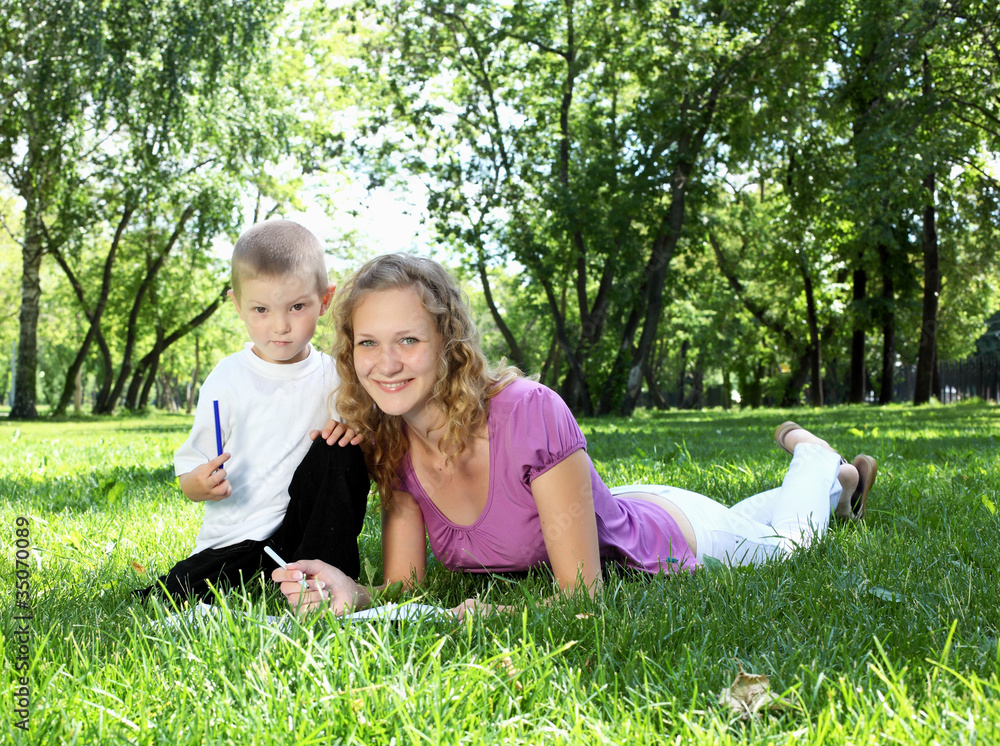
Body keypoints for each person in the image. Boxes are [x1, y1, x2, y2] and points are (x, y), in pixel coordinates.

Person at [273, 253, 877, 616]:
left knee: (784, 542)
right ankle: (843, 487)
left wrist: (499, 614)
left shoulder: (529, 411)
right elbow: (406, 590)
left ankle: (816, 459)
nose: (387, 362)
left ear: (448, 344)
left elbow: (582, 600)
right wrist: (352, 592)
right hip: (609, 506)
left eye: (408, 340)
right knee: (760, 520)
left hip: (670, 537)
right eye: (368, 343)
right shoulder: (391, 441)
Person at [139, 220, 370, 601]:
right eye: (261, 309)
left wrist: (354, 434)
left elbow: (357, 462)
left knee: (340, 450)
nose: (280, 326)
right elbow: (191, 466)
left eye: (297, 307)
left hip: (304, 538)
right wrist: (199, 485)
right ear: (238, 305)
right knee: (173, 594)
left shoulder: (337, 376)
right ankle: (251, 580)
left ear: (325, 300)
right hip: (238, 542)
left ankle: (325, 578)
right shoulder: (227, 378)